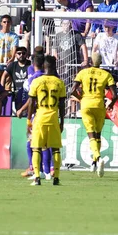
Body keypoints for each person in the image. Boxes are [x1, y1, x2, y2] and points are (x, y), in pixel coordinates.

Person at [71, 52, 118, 177]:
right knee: (98, 134)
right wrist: (111, 104)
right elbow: (114, 95)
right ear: (101, 62)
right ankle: (94, 162)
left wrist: (80, 98)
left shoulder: (82, 73)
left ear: (90, 62)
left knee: (91, 134)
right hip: (99, 105)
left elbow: (72, 90)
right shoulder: (106, 74)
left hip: (86, 104)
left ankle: (97, 156)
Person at [27, 55, 66, 186]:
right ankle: (56, 178)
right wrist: (62, 121)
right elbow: (62, 104)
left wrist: (28, 120)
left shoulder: (36, 81)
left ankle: (37, 178)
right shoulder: (59, 82)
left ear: (44, 66)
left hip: (40, 118)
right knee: (55, 149)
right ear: (54, 66)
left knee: (36, 148)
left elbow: (31, 102)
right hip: (54, 118)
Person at [55, 0, 93, 66]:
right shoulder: (70, 0)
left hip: (79, 33)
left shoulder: (87, 3)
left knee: (80, 55)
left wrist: (86, 32)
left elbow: (89, 19)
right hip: (69, 32)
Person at [1, 46, 31, 111]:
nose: (21, 55)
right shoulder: (12, 65)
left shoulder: (31, 64)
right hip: (17, 93)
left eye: (23, 53)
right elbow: (4, 75)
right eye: (19, 53)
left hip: (29, 93)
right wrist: (2, 89)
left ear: (26, 54)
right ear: (15, 55)